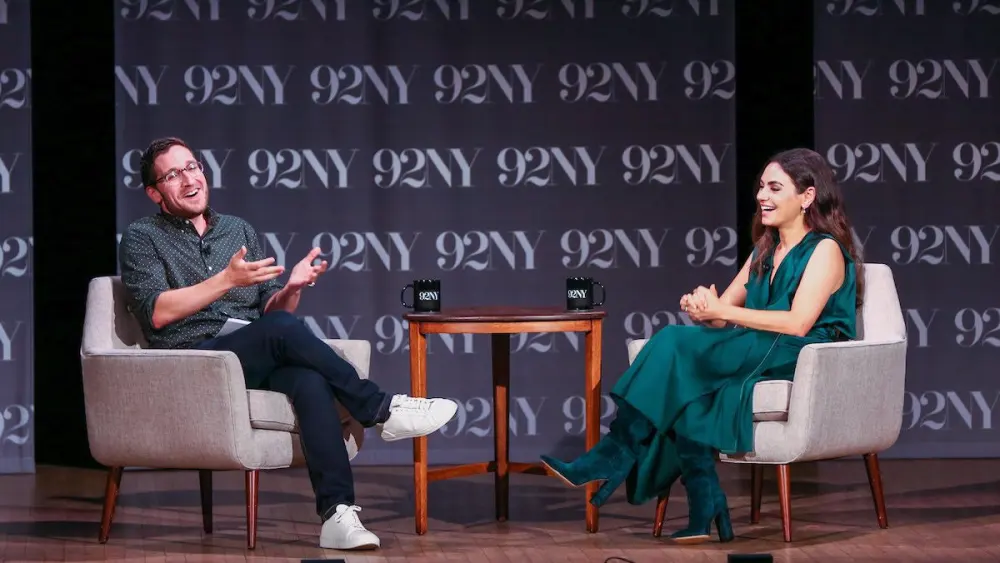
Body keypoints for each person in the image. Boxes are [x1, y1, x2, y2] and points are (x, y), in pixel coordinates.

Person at [118, 137, 460, 551]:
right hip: (193, 361)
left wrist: (293, 289)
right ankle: (380, 409)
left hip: (245, 353)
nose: (189, 179)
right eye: (173, 174)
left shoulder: (237, 230)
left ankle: (338, 515)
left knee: (307, 380)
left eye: (193, 167)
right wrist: (226, 281)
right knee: (280, 331)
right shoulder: (141, 237)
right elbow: (157, 312)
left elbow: (270, 312)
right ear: (155, 192)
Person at [541, 148, 864, 544]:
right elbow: (723, 315)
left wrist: (722, 313)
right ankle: (704, 501)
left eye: (775, 188)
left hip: (800, 354)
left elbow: (798, 324)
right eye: (761, 186)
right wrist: (702, 309)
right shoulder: (765, 249)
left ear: (807, 196)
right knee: (685, 379)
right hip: (760, 343)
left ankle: (615, 452)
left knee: (675, 345)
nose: (762, 195)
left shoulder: (825, 249)